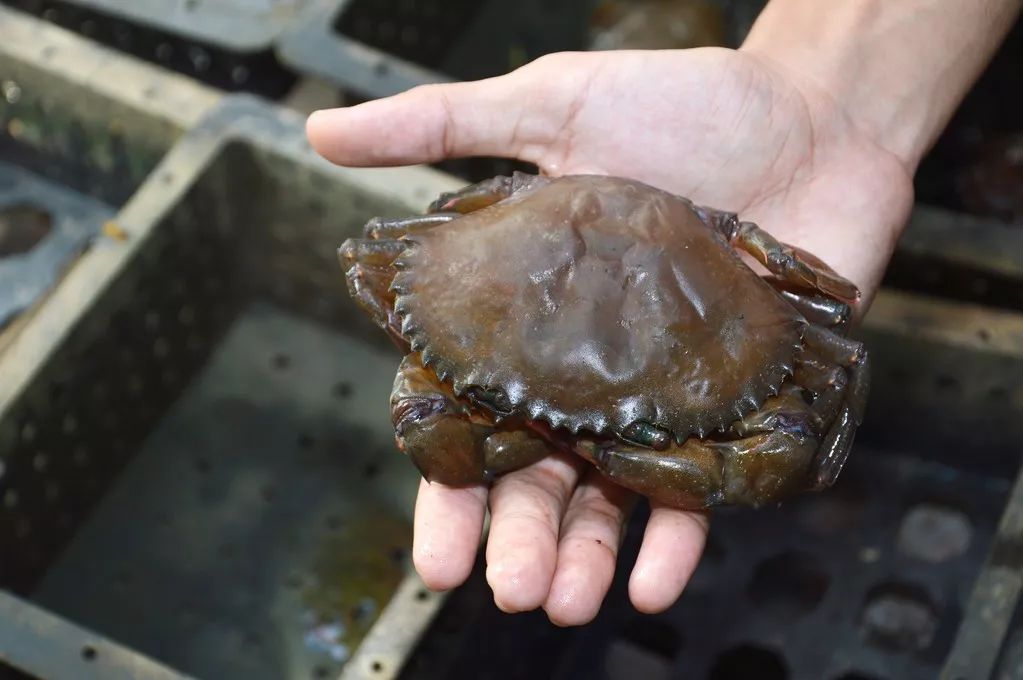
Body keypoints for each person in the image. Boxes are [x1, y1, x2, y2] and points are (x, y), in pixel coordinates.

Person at [307, 0, 1021, 626]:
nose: (568, 439)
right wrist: (632, 446)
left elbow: (801, 422)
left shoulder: (765, 308)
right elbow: (367, 262)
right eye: (495, 393)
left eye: (638, 428)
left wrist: (826, 108)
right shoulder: (445, 244)